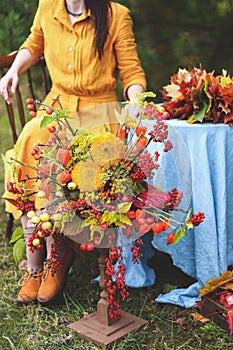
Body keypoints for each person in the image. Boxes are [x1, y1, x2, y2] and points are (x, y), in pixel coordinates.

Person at [0, 0, 154, 305]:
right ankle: (36, 260)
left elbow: (132, 72)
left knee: (81, 160)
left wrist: (137, 101)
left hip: (100, 111)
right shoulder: (48, 6)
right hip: (57, 106)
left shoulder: (115, 14)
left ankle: (59, 253)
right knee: (32, 140)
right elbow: (34, 44)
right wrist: (14, 70)